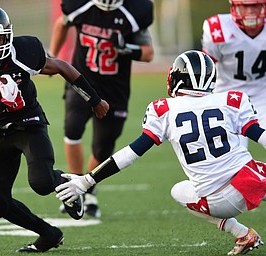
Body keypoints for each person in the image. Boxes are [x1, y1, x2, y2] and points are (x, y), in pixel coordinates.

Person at [55, 50, 266, 255]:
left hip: (215, 202)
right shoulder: (232, 100)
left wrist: (86, 182)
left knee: (178, 191)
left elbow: (131, 153)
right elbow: (260, 136)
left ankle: (242, 233)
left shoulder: (164, 109)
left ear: (176, 79)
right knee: (254, 172)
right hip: (247, 181)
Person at [0, 4, 109, 253]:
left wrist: (94, 100)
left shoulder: (23, 51)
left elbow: (64, 68)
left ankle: (66, 180)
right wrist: (2, 106)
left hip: (29, 123)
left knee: (42, 183)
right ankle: (49, 234)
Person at [49, 0, 154, 217]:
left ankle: (89, 188)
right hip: (81, 82)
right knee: (72, 130)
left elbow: (148, 53)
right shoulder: (81, 5)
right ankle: (74, 188)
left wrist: (126, 48)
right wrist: (53, 56)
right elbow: (61, 24)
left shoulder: (135, 11)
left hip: (114, 90)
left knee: (103, 147)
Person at [202, 0, 266, 148]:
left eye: (254, 5)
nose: (250, 11)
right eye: (245, 6)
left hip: (262, 96)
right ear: (235, 7)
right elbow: (205, 68)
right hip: (227, 98)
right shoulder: (219, 29)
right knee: (232, 156)